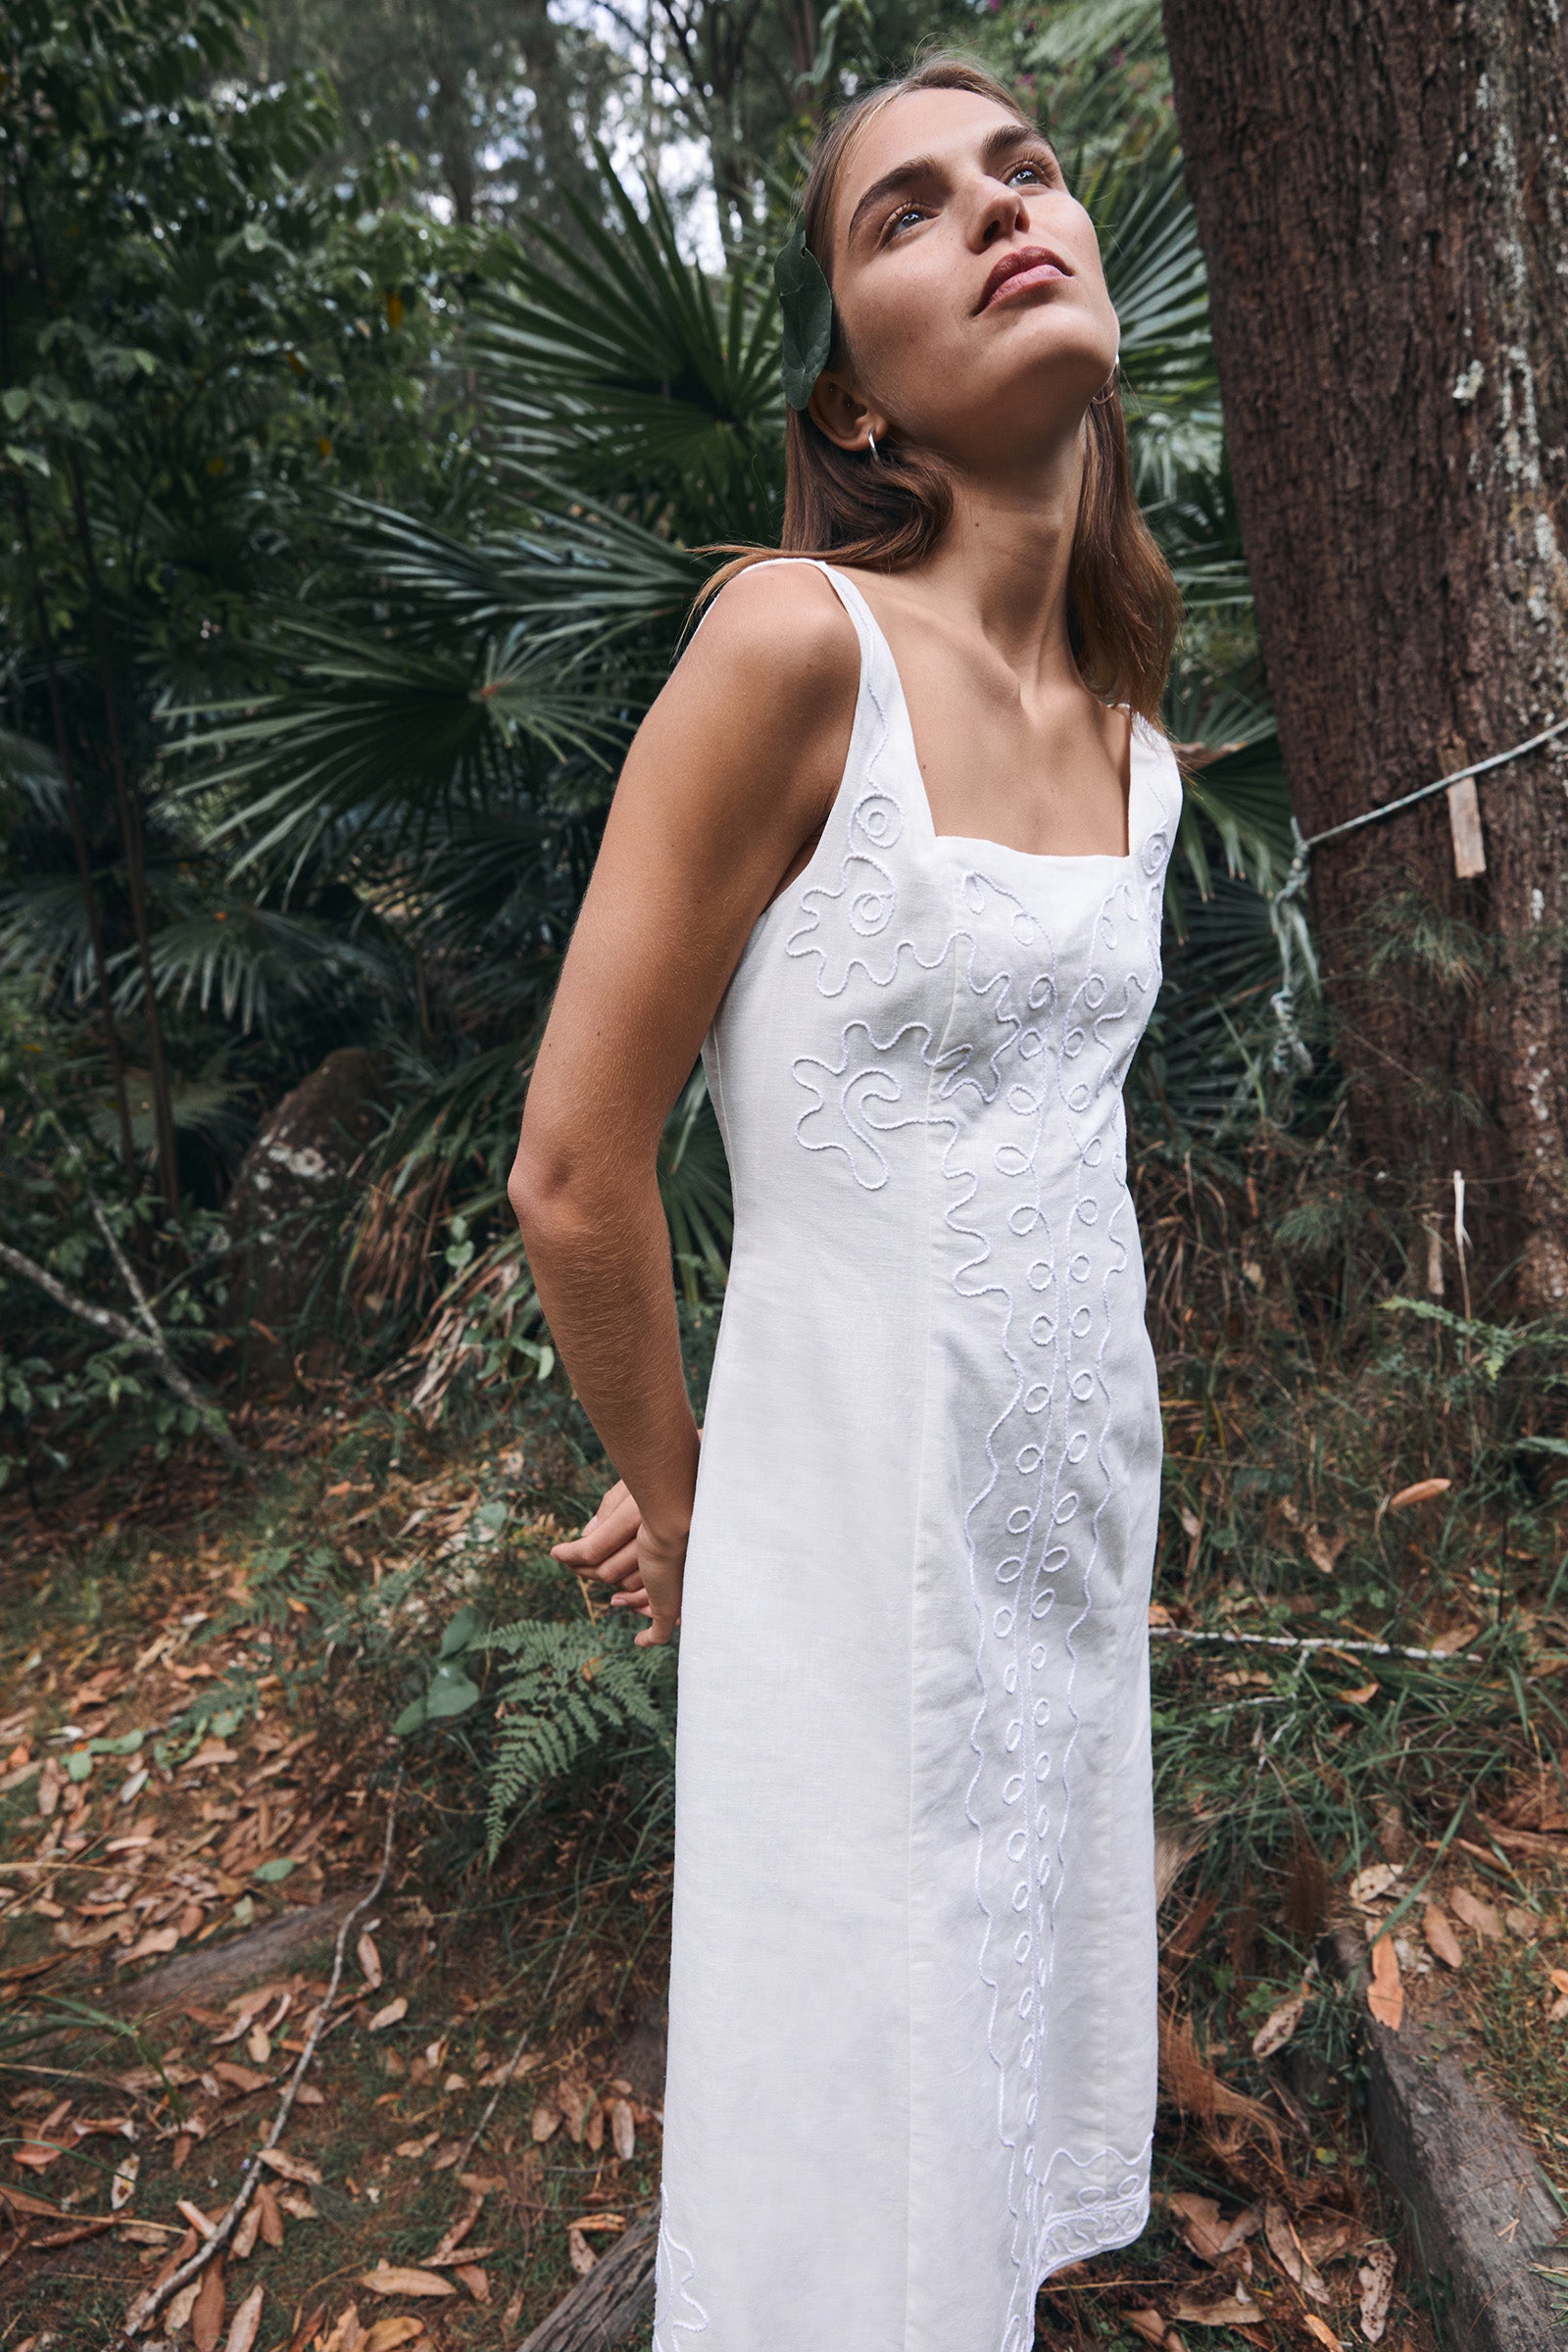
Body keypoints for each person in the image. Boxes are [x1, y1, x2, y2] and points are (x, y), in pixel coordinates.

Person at [509, 50, 1183, 2352]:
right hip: (844, 1560)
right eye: (907, 209)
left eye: (1024, 168)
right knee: (846, 2177)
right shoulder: (792, 649)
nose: (998, 209)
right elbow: (577, 1168)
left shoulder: (1140, 743)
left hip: (1072, 1535)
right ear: (862, 408)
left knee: (992, 2132)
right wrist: (689, 1505)